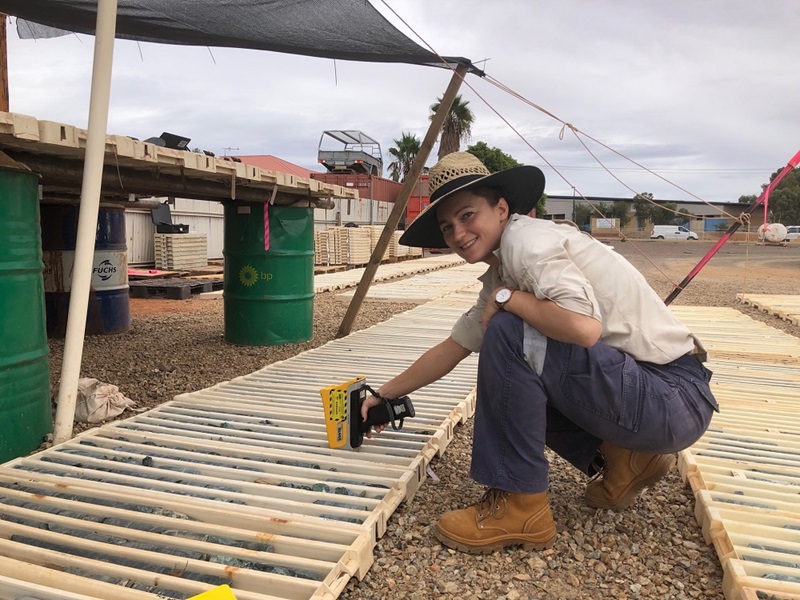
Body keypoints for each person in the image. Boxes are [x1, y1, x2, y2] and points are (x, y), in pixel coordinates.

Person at [361, 151, 718, 554]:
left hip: (668, 396)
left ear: (500, 209)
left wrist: (508, 298)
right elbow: (454, 347)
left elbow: (583, 329)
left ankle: (520, 504)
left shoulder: (526, 243)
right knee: (512, 348)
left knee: (509, 333)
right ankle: (626, 459)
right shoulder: (504, 269)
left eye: (467, 215)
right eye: (446, 227)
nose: (458, 234)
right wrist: (383, 395)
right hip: (665, 399)